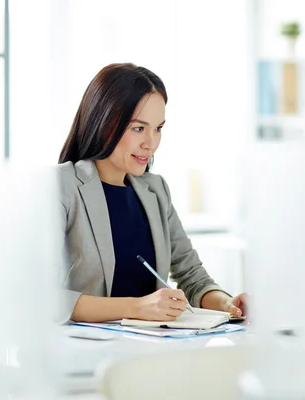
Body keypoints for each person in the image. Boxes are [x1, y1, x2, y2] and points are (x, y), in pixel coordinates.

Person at [58, 63, 248, 323]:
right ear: (104, 122)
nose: (151, 143)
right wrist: (135, 307)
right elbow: (39, 295)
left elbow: (192, 276)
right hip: (84, 355)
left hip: (151, 351)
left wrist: (228, 303)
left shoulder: (155, 190)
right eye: (138, 128)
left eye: (158, 128)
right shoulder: (61, 186)